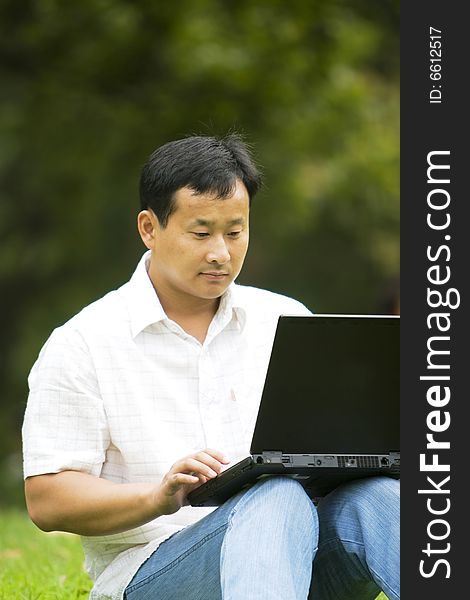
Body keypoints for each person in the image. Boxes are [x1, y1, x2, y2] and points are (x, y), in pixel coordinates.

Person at [22, 134, 399, 600]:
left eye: (235, 231)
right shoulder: (82, 342)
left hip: (301, 556)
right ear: (149, 228)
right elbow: (47, 500)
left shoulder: (287, 320)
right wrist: (158, 496)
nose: (220, 252)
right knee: (272, 496)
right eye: (201, 233)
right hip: (158, 570)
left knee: (381, 497)